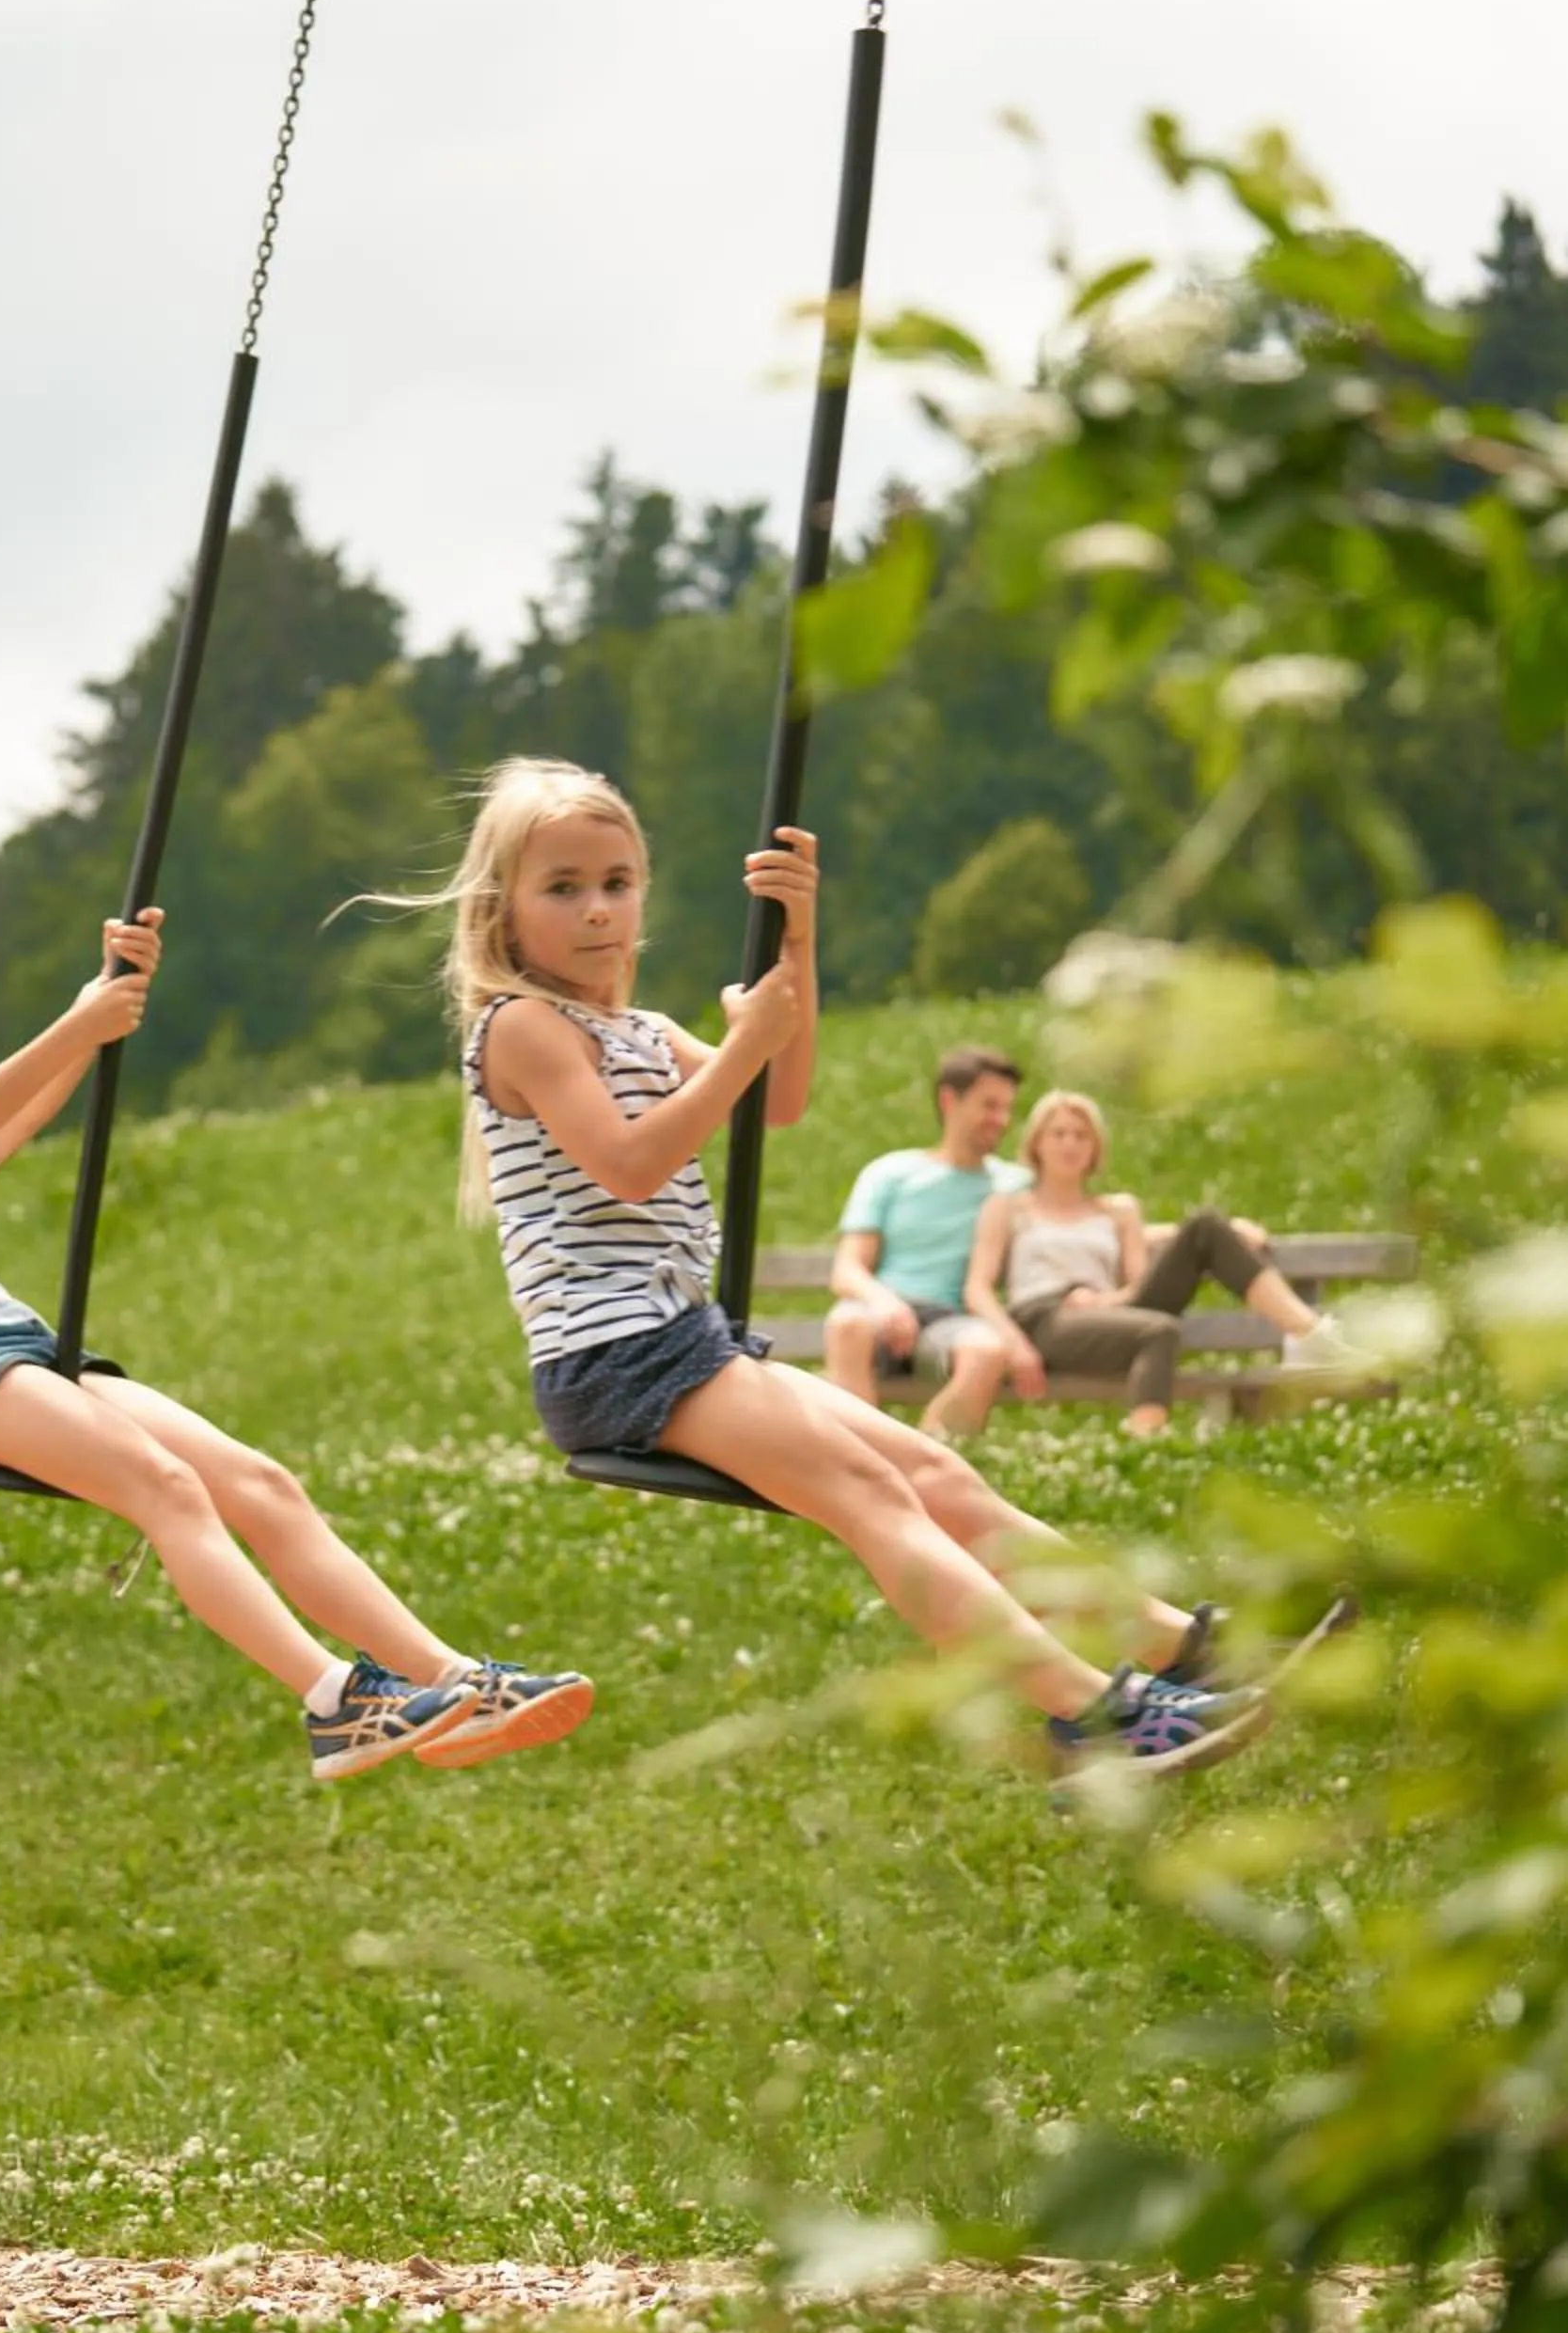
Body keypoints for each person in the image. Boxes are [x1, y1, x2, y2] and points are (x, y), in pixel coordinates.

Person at [431, 755, 1272, 1778]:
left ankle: (1179, 1645)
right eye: (562, 888)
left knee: (932, 1471)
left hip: (678, 1338)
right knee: (874, 1493)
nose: (597, 910)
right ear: (501, 909)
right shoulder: (521, 1028)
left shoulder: (636, 1030)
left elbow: (776, 1100)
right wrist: (744, 1046)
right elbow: (631, 1165)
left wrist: (798, 941)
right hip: (614, 1357)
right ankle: (1092, 1716)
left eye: (617, 883)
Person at [0, 910, 592, 1783]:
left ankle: (451, 1681)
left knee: (259, 1484)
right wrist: (73, 1021)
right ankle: (334, 1701)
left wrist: (100, 1007)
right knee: (166, 1489)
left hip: (23, 1348)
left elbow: (8, 1124)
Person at [964, 1088, 1355, 1437]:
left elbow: (1139, 1284)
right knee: (1159, 1331)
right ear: (1037, 1145)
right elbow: (977, 1289)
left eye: (1081, 1135)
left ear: (1095, 1149)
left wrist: (1111, 1301)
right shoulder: (1008, 1208)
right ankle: (1145, 1440)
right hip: (1044, 1320)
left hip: (1114, 1311)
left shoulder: (1119, 1211)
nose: (1070, 1144)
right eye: (1058, 1133)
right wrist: (1015, 1346)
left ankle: (1309, 1335)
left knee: (1205, 1225)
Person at [824, 1045, 1041, 1438]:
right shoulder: (890, 1172)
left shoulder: (1013, 1185)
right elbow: (847, 1269)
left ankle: (926, 1466)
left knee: (988, 1351)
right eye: (989, 1105)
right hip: (884, 1316)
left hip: (951, 1321)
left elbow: (1075, 1217)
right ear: (949, 1100)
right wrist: (885, 1303)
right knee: (847, 1322)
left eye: (1007, 1108)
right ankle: (861, 1456)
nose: (1001, 1119)